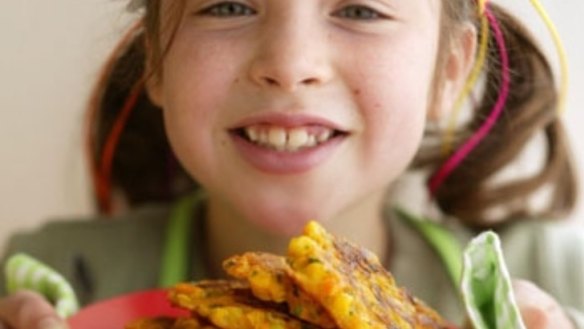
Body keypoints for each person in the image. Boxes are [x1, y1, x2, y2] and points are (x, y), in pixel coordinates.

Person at [0, 0, 581, 328]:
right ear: (155, 59)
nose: (289, 63)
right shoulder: (54, 279)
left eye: (359, 9)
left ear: (448, 72)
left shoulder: (557, 280)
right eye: (229, 4)